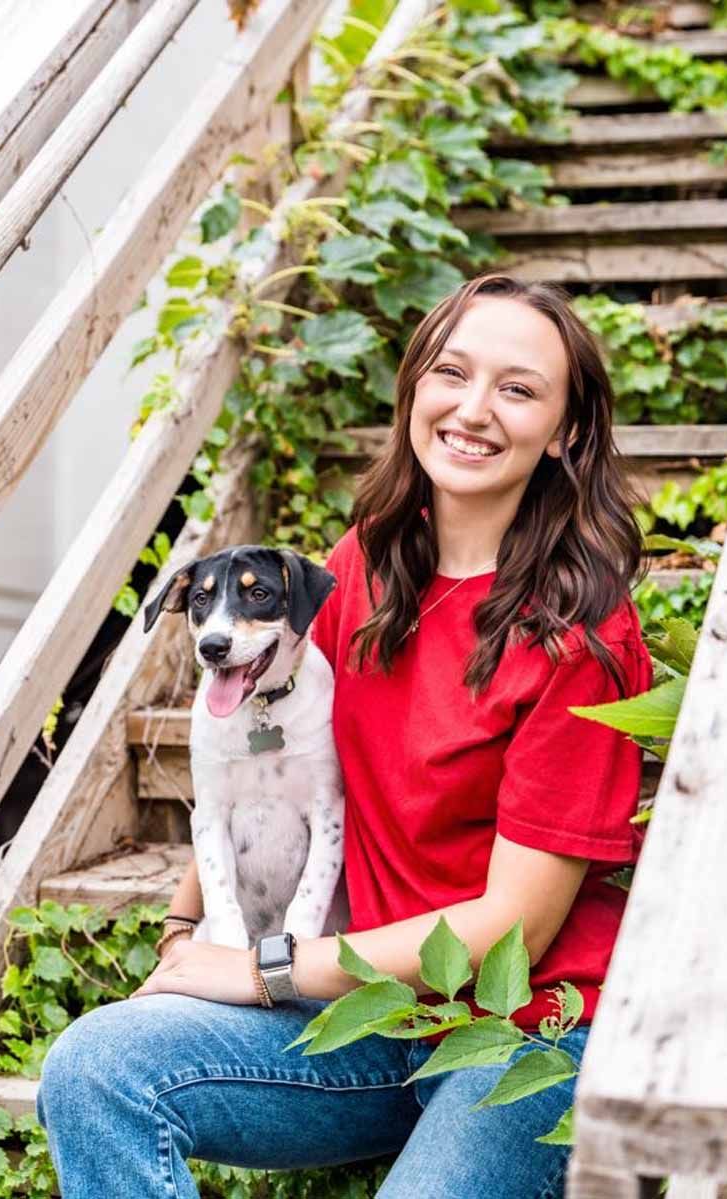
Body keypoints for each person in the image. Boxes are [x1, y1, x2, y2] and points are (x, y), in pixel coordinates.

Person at [36, 272, 654, 1198]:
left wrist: (260, 969)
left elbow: (514, 924)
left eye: (518, 388)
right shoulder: (365, 561)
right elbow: (255, 744)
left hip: (526, 1033)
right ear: (415, 389)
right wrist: (178, 927)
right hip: (372, 1015)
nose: (474, 409)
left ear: (566, 430)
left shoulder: (581, 633)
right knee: (95, 1069)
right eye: (453, 372)